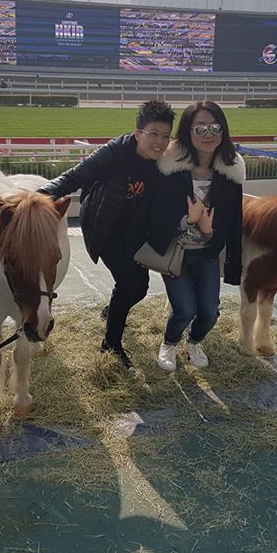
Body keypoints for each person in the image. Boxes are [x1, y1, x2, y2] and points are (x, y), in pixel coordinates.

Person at [39, 100, 176, 370]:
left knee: (138, 287)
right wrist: (39, 194)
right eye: (153, 134)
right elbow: (76, 176)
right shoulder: (116, 151)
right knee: (130, 284)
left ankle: (112, 311)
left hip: (136, 230)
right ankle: (110, 343)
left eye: (165, 136)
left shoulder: (163, 162)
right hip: (105, 225)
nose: (159, 142)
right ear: (138, 134)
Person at [146, 101, 244, 371]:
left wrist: (209, 231)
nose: (208, 135)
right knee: (185, 310)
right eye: (199, 129)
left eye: (215, 128)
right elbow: (154, 216)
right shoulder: (169, 169)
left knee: (210, 312)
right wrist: (188, 220)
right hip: (174, 253)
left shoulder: (230, 171)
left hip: (207, 254)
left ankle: (195, 341)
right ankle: (169, 342)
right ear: (187, 133)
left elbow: (235, 222)